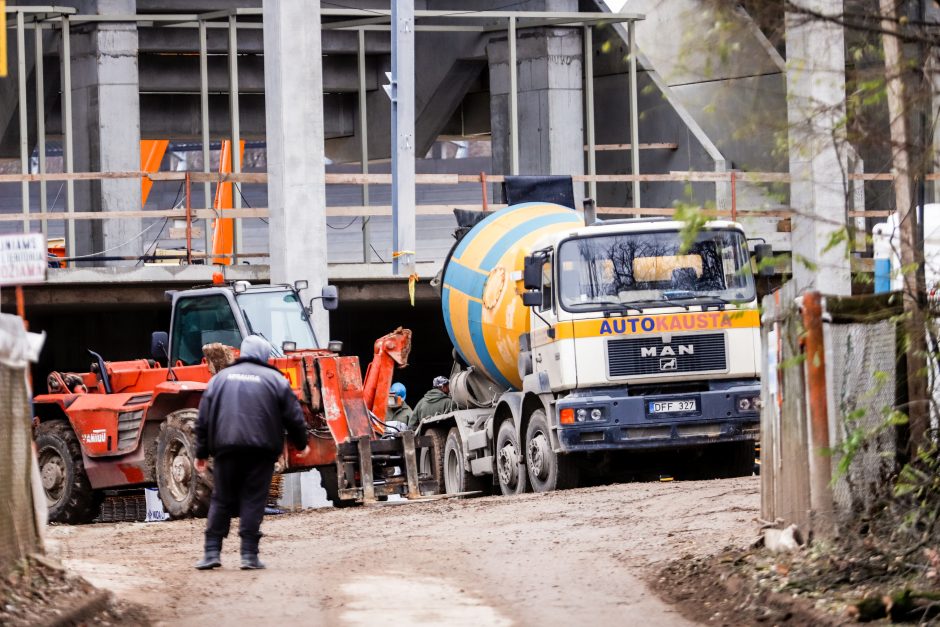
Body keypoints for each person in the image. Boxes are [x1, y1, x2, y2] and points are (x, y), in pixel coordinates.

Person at [193, 335, 309, 571]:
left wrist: (201, 452)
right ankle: (248, 556)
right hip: (261, 451)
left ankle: (211, 552)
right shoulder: (275, 379)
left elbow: (203, 418)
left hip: (226, 449)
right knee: (253, 500)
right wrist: (301, 443)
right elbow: (293, 415)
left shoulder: (220, 379)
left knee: (222, 498)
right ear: (264, 355)